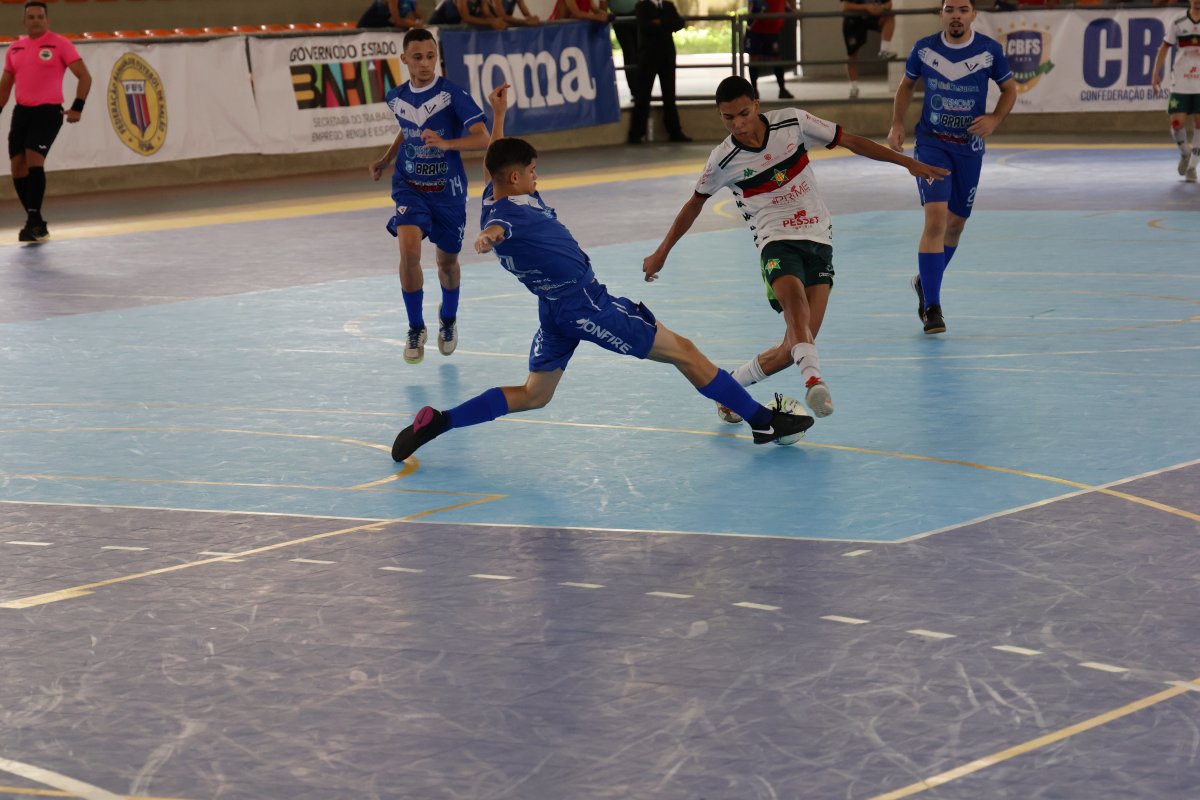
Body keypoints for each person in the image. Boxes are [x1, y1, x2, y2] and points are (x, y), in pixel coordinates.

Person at [391, 85, 816, 462]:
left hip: (554, 310)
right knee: (684, 352)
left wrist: (498, 115)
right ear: (517, 177)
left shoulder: (494, 193)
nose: (538, 179)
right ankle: (763, 421)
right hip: (588, 305)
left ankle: (439, 422)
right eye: (534, 173)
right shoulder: (504, 219)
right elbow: (497, 231)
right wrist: (486, 239)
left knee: (534, 395)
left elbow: (493, 164)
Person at [643, 76, 948, 423]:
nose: (738, 124)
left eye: (743, 113)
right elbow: (694, 204)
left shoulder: (792, 122)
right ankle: (814, 380)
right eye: (728, 118)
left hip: (819, 237)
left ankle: (729, 390)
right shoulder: (723, 160)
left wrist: (906, 162)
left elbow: (851, 141)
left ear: (757, 104)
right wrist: (662, 252)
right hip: (774, 240)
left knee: (794, 347)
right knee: (795, 306)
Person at [887, 0, 1015, 334]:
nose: (956, 15)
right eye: (950, 9)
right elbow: (906, 86)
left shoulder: (989, 52)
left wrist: (996, 117)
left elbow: (1009, 89)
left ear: (973, 15)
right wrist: (897, 123)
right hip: (931, 145)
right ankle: (933, 306)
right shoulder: (925, 49)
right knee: (936, 220)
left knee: (956, 225)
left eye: (963, 9)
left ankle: (924, 282)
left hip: (969, 148)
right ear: (941, 14)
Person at [370, 28, 491, 364]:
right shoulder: (395, 97)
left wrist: (447, 143)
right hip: (409, 185)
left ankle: (448, 319)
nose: (425, 64)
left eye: (431, 57)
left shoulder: (452, 95)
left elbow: (483, 137)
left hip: (448, 191)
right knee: (409, 251)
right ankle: (415, 327)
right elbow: (407, 129)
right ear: (405, 59)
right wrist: (386, 159)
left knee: (446, 263)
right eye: (418, 57)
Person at [0, 1, 91, 243]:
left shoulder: (60, 44)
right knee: (17, 166)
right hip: (22, 113)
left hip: (48, 113)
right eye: (31, 17)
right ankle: (36, 221)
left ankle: (32, 221)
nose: (36, 21)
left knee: (33, 159)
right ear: (24, 22)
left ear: (47, 20)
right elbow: (5, 87)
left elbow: (84, 76)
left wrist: (77, 107)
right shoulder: (15, 49)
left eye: (40, 17)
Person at [627, 0, 691, 144]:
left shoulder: (668, 5)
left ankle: (675, 131)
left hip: (667, 55)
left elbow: (680, 23)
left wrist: (660, 22)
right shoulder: (642, 6)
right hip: (648, 56)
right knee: (643, 95)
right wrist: (667, 24)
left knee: (669, 94)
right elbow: (645, 26)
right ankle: (636, 133)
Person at [1150, 0, 1200, 182]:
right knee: (1176, 123)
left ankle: (1193, 167)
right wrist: (1156, 72)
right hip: (1181, 80)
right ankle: (1185, 154)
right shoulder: (1178, 21)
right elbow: (1165, 46)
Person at [841, 0, 896, 99]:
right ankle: (854, 87)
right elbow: (846, 6)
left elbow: (889, 3)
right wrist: (866, 7)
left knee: (890, 15)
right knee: (852, 55)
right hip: (854, 19)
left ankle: (884, 50)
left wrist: (882, 8)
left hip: (872, 16)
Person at [745, 0, 797, 100]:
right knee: (754, 58)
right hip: (756, 29)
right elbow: (752, 5)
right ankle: (754, 90)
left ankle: (782, 89)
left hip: (772, 30)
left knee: (776, 58)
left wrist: (793, 10)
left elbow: (791, 4)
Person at [609, 0, 640, 99]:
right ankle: (635, 90)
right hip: (619, 18)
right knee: (629, 53)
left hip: (637, 14)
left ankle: (643, 88)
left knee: (641, 52)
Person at [428, 0, 507, 30]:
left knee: (482, 27)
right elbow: (466, 18)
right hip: (436, 28)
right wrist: (491, 22)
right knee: (469, 27)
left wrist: (497, 22)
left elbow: (487, 14)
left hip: (454, 25)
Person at [357, 0, 425, 29]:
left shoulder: (412, 1)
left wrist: (419, 23)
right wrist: (415, 24)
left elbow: (420, 18)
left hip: (383, 27)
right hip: (367, 26)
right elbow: (397, 21)